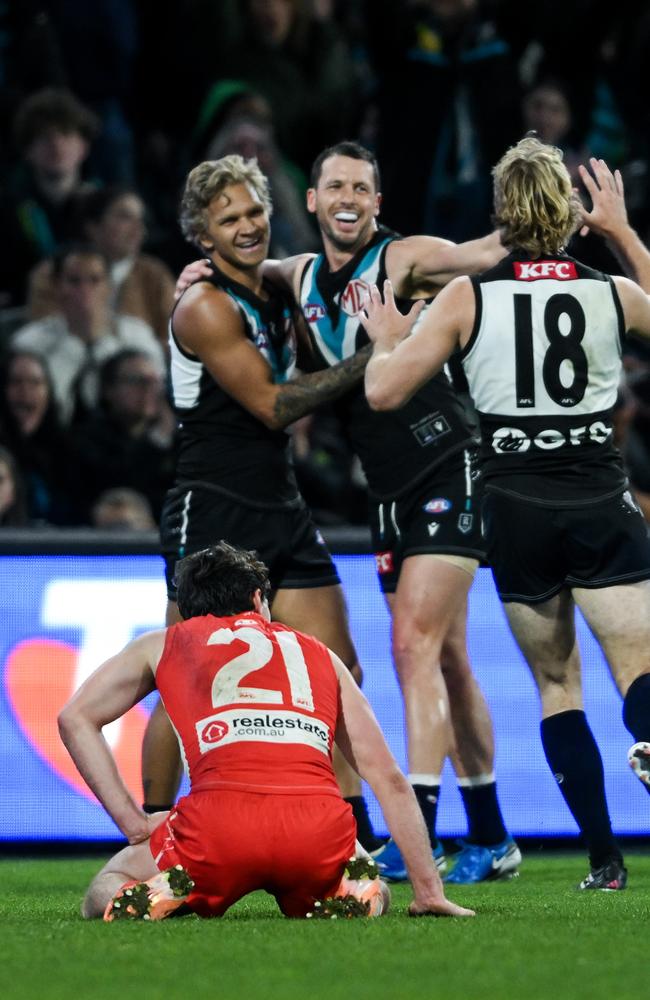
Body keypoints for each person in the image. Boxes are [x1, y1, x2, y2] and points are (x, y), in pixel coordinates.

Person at [178, 141, 520, 884]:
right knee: (448, 659)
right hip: (388, 488)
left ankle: (416, 833)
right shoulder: (294, 275)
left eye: (361, 188)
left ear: (377, 201)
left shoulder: (403, 261)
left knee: (412, 647)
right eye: (334, 184)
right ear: (310, 201)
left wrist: (531, 224)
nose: (346, 198)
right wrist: (194, 272)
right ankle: (492, 834)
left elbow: (482, 253)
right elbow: (239, 268)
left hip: (446, 461)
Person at [361, 138, 650, 889]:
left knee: (558, 687)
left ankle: (605, 860)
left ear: (499, 213)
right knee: (640, 673)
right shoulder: (610, 293)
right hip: (599, 494)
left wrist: (389, 342)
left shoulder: (467, 298)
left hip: (516, 506)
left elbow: (384, 392)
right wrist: (621, 234)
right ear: (568, 211)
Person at [148, 154, 383, 851]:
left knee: (340, 668)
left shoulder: (275, 288)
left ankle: (354, 835)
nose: (247, 226)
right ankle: (152, 832)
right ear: (201, 235)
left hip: (281, 503)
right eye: (229, 220)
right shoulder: (203, 305)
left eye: (253, 211)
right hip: (212, 505)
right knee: (182, 679)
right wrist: (380, 351)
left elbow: (321, 270)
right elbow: (274, 405)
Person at [58, 541, 475, 921]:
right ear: (259, 599)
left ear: (185, 610)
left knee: (104, 889)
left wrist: (134, 822)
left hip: (217, 830)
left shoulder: (163, 643)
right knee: (367, 869)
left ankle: (161, 891)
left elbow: (75, 718)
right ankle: (363, 890)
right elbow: (389, 779)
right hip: (316, 829)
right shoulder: (320, 654)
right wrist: (427, 891)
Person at [12, 243, 165, 424]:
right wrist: (72, 347)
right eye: (74, 281)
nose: (85, 291)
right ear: (57, 286)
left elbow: (154, 398)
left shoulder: (137, 336)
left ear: (110, 287)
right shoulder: (30, 342)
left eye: (94, 280)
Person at [27, 185, 176, 346]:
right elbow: (44, 332)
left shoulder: (154, 274)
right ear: (93, 227)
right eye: (125, 217)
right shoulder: (52, 273)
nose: (138, 228)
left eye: (140, 219)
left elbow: (177, 338)